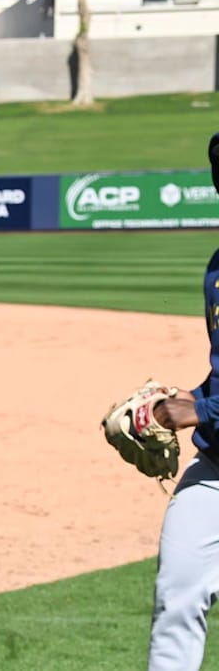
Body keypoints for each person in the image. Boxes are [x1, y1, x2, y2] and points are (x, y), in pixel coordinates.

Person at [145, 132, 219, 670]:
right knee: (177, 596)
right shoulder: (218, 269)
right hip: (215, 468)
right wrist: (191, 398)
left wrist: (205, 411)